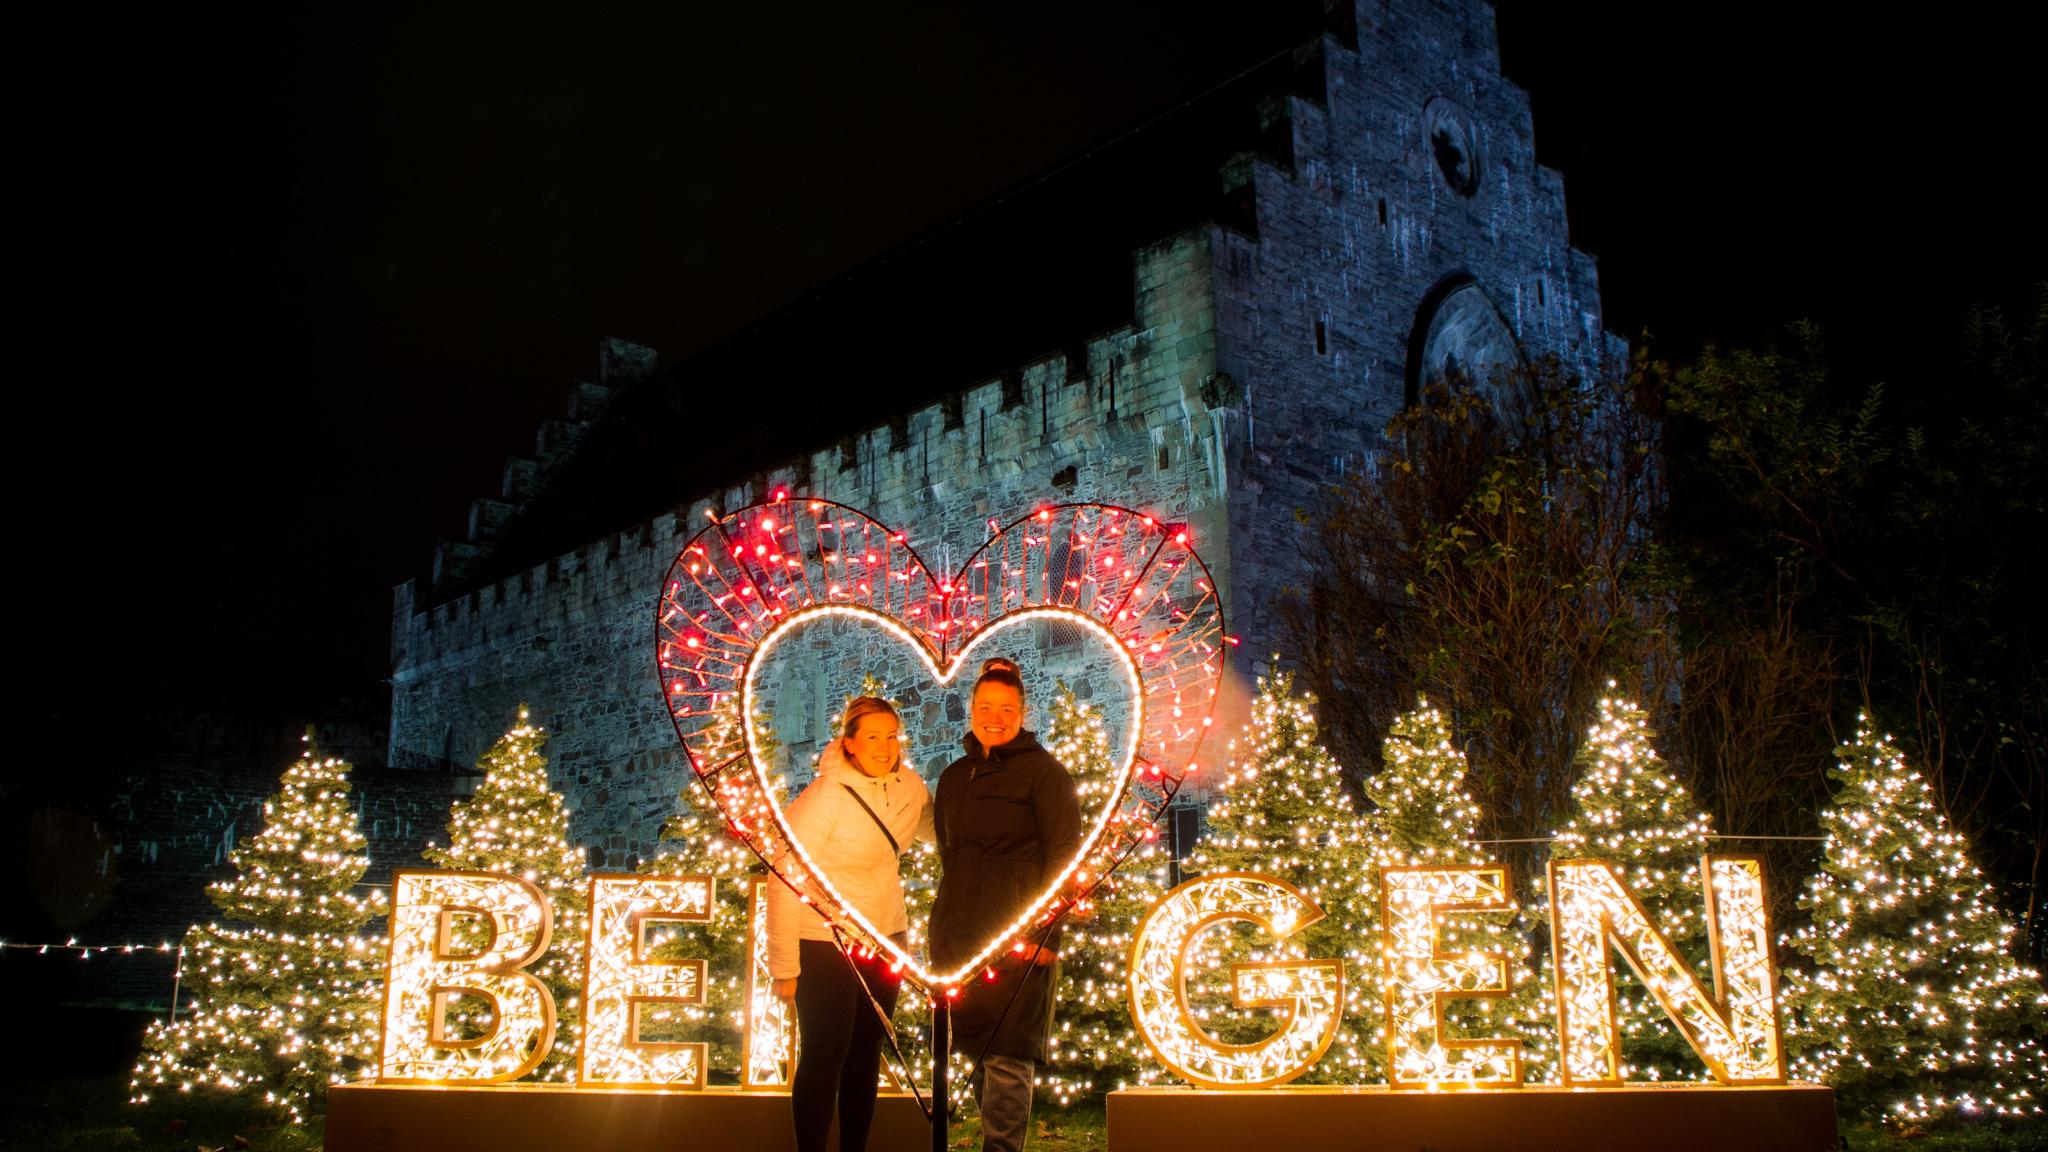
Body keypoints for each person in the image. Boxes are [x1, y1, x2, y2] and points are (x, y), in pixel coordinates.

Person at [768, 696, 935, 1152]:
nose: (884, 747)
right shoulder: (826, 796)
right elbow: (782, 876)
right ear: (850, 744)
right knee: (825, 1055)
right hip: (825, 941)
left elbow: (934, 830)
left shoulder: (909, 787)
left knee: (866, 1055)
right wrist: (784, 966)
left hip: (886, 937)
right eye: (873, 737)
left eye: (891, 736)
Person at [929, 658, 1082, 1152]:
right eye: (985, 706)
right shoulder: (954, 777)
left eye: (1007, 708)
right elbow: (948, 853)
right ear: (971, 709)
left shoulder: (1045, 774)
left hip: (1020, 935)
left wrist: (1046, 934)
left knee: (1009, 1050)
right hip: (959, 934)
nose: (995, 717)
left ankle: (1002, 1149)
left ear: (1023, 711)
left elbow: (1064, 857)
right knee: (973, 1045)